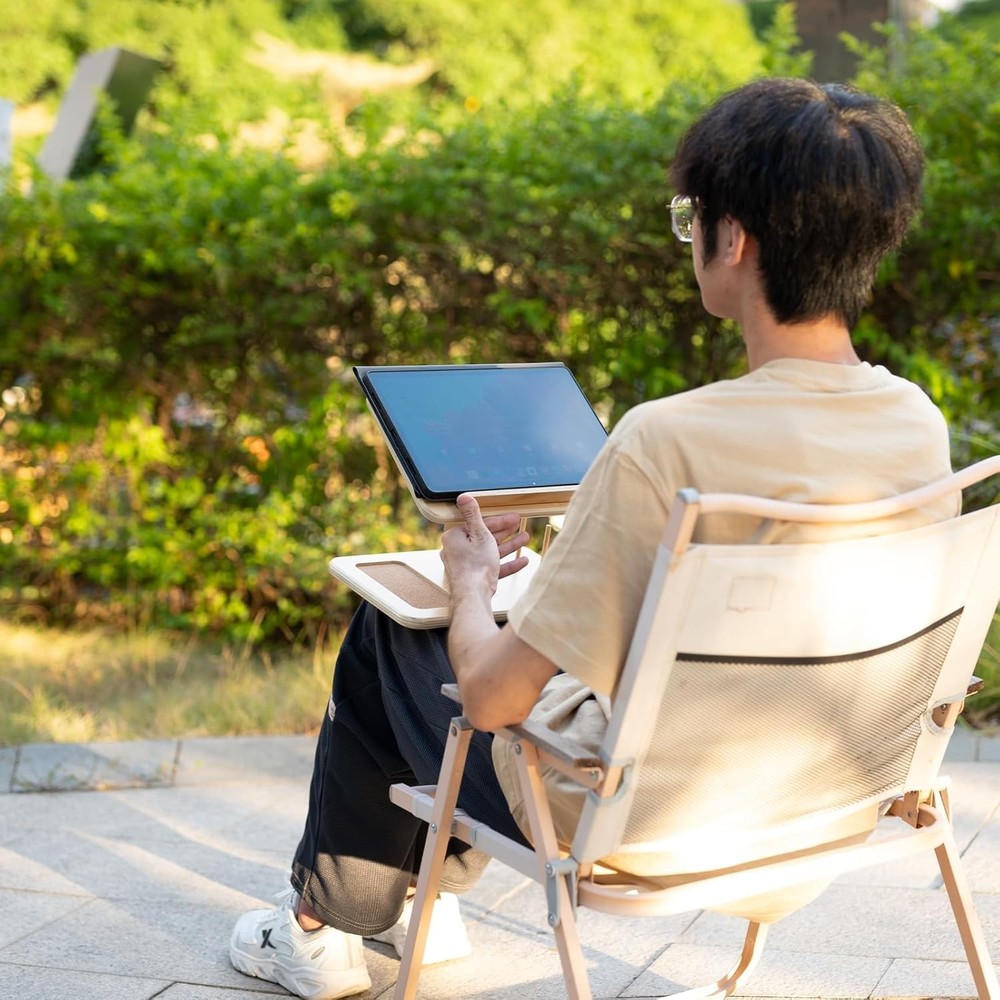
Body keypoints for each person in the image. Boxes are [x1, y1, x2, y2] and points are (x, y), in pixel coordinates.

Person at [229, 77, 957, 1000]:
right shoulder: (915, 424)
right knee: (495, 639)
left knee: (394, 630)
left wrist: (466, 584)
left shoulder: (667, 440)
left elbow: (491, 700)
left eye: (692, 217)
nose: (690, 235)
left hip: (641, 829)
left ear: (733, 239)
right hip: (823, 815)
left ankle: (321, 930)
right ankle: (428, 901)